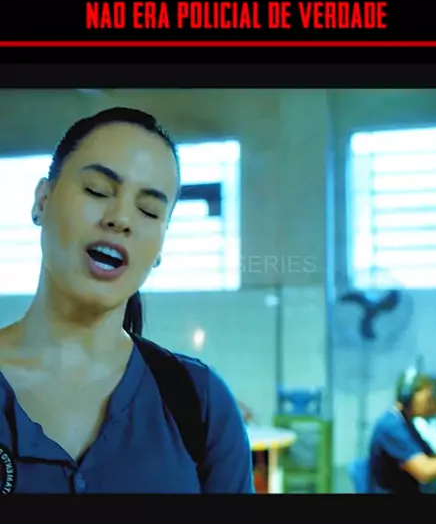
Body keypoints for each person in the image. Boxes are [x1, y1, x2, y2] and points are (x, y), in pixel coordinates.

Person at [0, 107, 254, 494]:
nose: (121, 218)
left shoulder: (200, 403)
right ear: (42, 201)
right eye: (97, 191)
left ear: (161, 247)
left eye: (149, 210)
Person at [367, 369, 436, 494]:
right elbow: (424, 471)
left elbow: (433, 458)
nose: (430, 405)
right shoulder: (391, 426)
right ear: (408, 397)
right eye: (427, 399)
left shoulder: (406, 424)